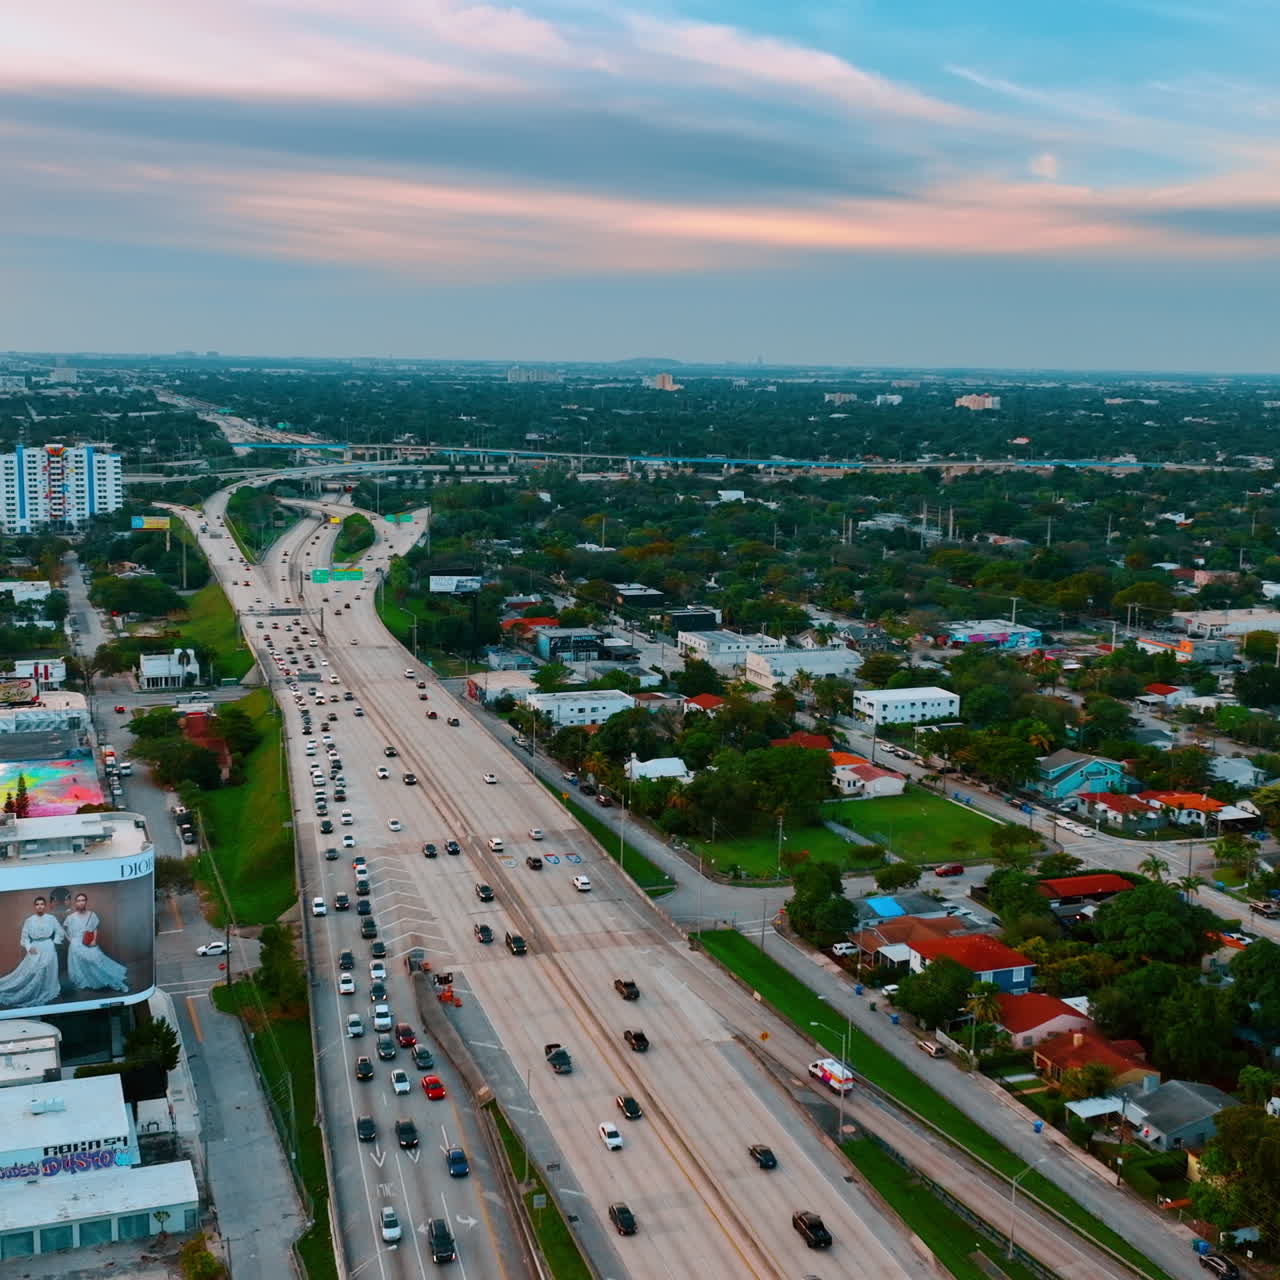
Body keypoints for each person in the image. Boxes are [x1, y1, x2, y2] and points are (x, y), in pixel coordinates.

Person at [0, 897, 67, 1008]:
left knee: (48, 968)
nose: (40, 906)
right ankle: (30, 990)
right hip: (35, 946)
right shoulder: (29, 920)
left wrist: (54, 942)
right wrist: (29, 947)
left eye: (42, 904)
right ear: (34, 906)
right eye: (37, 904)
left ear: (45, 906)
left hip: (48, 946)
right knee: (32, 970)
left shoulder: (51, 918)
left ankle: (46, 989)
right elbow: (24, 938)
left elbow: (60, 932)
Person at [63, 892, 129, 993]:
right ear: (75, 903)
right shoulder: (70, 917)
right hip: (76, 944)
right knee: (85, 965)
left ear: (86, 902)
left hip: (88, 942)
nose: (81, 902)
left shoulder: (92, 915)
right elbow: (63, 929)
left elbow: (95, 929)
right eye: (78, 901)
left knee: (97, 961)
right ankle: (97, 982)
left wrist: (94, 940)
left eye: (83, 900)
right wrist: (70, 940)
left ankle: (116, 982)